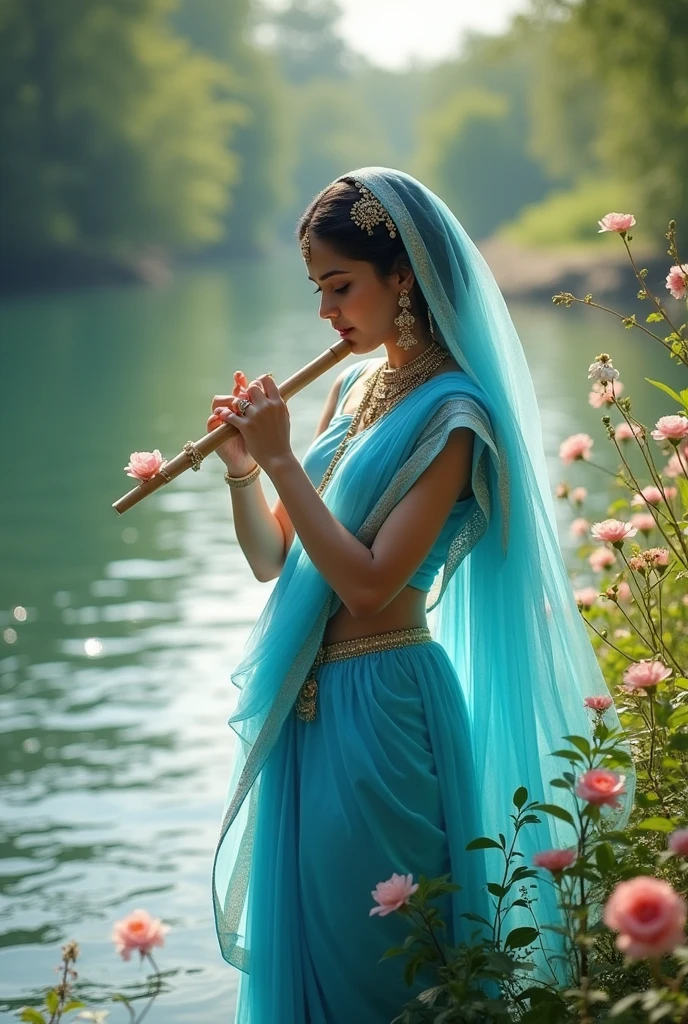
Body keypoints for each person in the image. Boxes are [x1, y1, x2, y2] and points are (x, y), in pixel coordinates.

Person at [208, 169, 629, 1023]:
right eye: (318, 290)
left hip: (386, 699)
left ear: (401, 277)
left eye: (341, 286)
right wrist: (246, 469)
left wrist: (287, 459)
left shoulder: (455, 413)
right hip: (310, 705)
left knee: (389, 965)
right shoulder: (351, 390)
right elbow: (274, 560)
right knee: (318, 950)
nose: (327, 313)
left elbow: (366, 585)